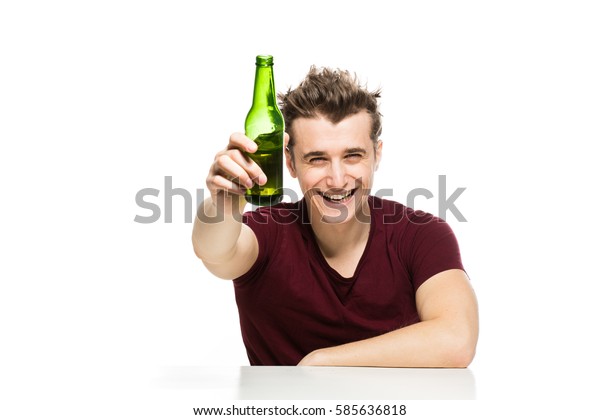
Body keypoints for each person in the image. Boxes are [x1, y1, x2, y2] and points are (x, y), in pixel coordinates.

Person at [192, 66, 479, 367]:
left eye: (353, 156)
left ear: (376, 155)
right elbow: (214, 251)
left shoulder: (421, 235)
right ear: (289, 163)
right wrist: (223, 204)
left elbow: (456, 340)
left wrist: (321, 362)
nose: (338, 179)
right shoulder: (268, 232)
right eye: (317, 159)